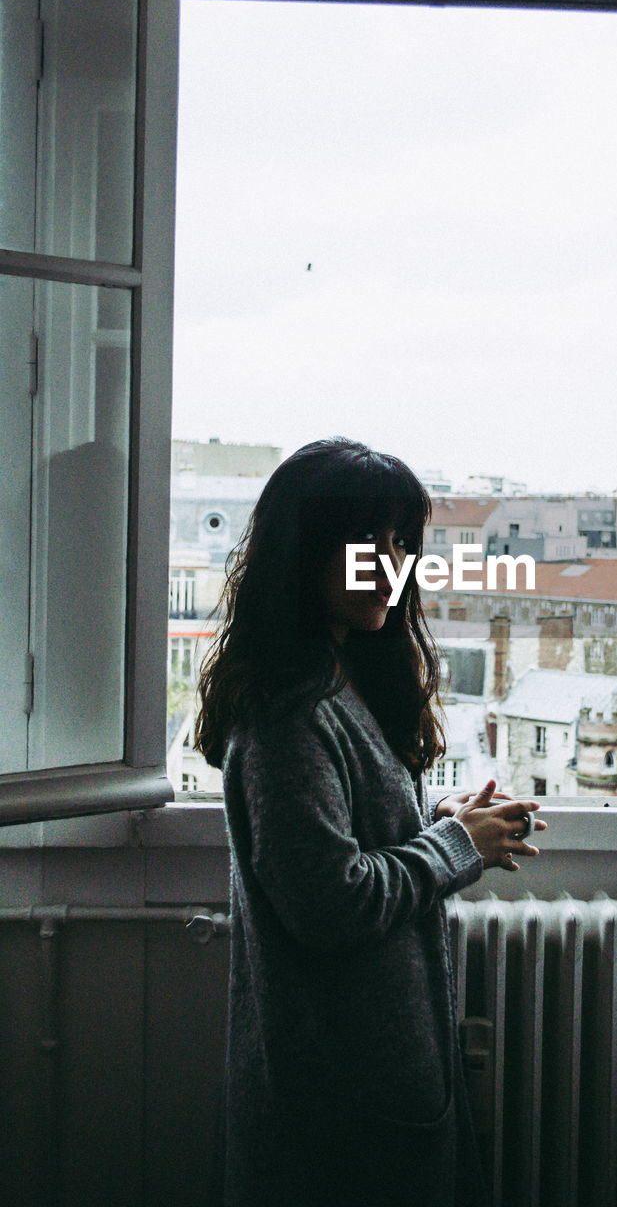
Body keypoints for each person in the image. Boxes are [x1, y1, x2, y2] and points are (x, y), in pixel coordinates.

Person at [196, 437, 545, 1207]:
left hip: (368, 1085)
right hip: (336, 1107)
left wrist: (434, 820)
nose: (389, 564)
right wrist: (457, 845)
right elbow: (332, 901)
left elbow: (345, 839)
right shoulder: (291, 712)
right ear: (303, 548)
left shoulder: (336, 679)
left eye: (402, 544)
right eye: (366, 541)